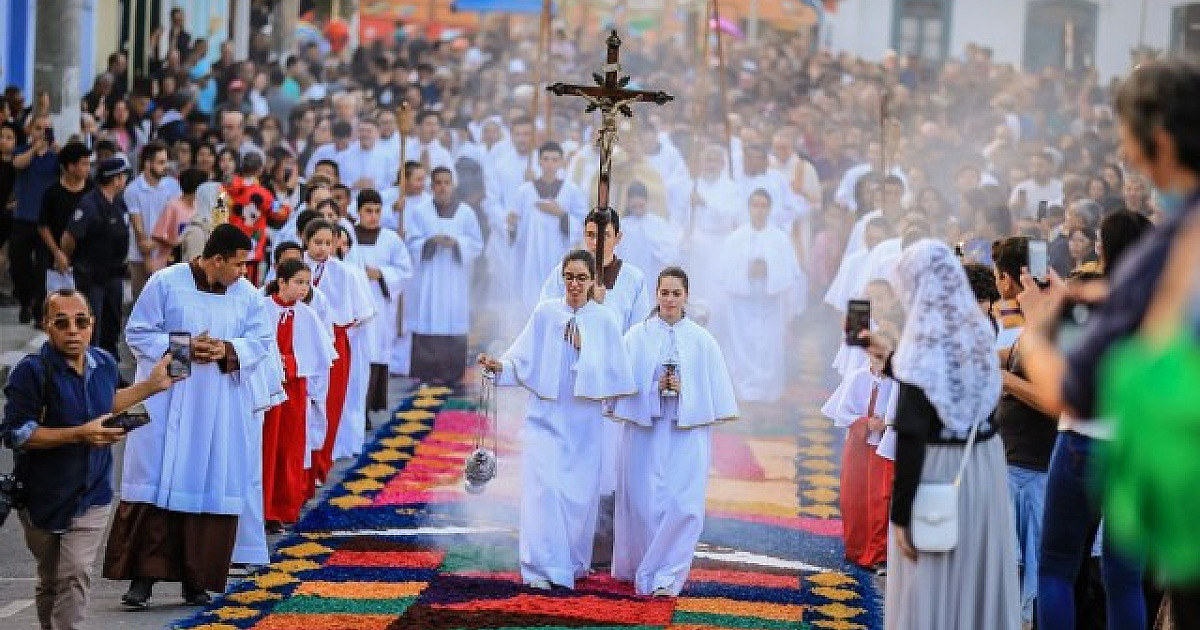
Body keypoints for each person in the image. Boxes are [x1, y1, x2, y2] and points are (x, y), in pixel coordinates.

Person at [102, 224, 274, 608]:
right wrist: (185, 349)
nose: (244, 272)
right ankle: (142, 580)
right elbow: (139, 332)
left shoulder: (246, 295)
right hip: (168, 400)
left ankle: (196, 582)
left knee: (207, 482)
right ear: (215, 260)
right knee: (156, 481)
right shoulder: (166, 282)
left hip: (218, 407)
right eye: (239, 264)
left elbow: (262, 342)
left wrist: (226, 350)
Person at [860, 239, 1020, 630]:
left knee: (930, 576)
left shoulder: (921, 346)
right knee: (974, 571)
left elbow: (913, 432)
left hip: (938, 474)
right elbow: (946, 387)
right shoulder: (980, 334)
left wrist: (900, 518)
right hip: (983, 468)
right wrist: (895, 359)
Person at [2, 289, 179, 630]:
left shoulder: (104, 363)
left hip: (93, 494)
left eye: (81, 321)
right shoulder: (31, 372)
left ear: (92, 325)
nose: (73, 329)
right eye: (62, 322)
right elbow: (17, 433)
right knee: (52, 579)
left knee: (75, 574)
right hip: (44, 496)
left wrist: (153, 386)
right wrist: (79, 433)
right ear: (47, 326)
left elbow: (109, 401)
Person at [477, 249, 635, 590]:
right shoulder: (546, 313)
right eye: (569, 277)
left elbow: (618, 378)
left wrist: (585, 348)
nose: (574, 284)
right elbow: (521, 359)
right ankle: (539, 567)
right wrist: (499, 367)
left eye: (581, 278)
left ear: (593, 280)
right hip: (543, 420)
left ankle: (570, 564)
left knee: (575, 497)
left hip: (583, 428)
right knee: (543, 491)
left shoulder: (605, 321)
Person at [610, 266, 738, 597]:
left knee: (684, 504)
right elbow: (622, 387)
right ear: (656, 294)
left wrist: (686, 390)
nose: (669, 299)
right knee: (644, 502)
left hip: (686, 435)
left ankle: (668, 576)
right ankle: (643, 567)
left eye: (676, 293)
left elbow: (712, 395)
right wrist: (653, 389)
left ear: (686, 296)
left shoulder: (702, 340)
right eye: (664, 293)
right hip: (646, 433)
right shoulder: (636, 337)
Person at [991, 236, 1060, 626]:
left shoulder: (1044, 329)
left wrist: (1003, 379)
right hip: (1017, 459)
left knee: (1027, 570)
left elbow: (1050, 398)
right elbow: (1013, 357)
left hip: (1032, 467)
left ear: (1005, 281)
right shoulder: (1032, 328)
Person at [711, 189, 805, 404]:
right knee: (742, 343)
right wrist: (746, 271)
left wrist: (769, 271)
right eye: (755, 205)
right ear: (749, 208)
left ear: (770, 209)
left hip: (769, 302)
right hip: (742, 302)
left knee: (768, 343)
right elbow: (724, 272)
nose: (759, 210)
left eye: (764, 206)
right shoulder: (736, 237)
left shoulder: (779, 238)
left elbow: (791, 273)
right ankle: (744, 388)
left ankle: (768, 389)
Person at [261, 258, 335, 528]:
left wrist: (291, 364)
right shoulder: (262, 309)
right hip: (267, 389)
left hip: (294, 391)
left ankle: (282, 508)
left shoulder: (307, 315)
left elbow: (318, 356)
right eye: (298, 282)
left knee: (289, 448)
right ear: (281, 282)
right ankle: (262, 506)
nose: (304, 288)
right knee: (266, 448)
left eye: (307, 283)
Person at [302, 219, 373, 483]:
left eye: (328, 243)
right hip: (300, 341)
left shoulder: (345, 273)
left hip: (335, 343)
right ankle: (301, 467)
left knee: (330, 405)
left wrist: (338, 331)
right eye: (317, 242)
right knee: (302, 405)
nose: (322, 249)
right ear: (305, 240)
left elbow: (361, 313)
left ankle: (320, 464)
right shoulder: (295, 269)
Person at [405, 167, 482, 385]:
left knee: (453, 319)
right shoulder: (421, 211)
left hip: (454, 277)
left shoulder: (466, 212)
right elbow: (411, 242)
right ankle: (427, 370)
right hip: (429, 277)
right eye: (438, 183)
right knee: (428, 318)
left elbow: (476, 243)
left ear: (453, 185)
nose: (443, 187)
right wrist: (430, 242)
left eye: (447, 182)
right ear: (432, 186)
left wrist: (458, 244)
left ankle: (452, 371)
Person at [61, 155, 132, 357]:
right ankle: (89, 373)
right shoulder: (89, 204)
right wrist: (69, 258)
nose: (124, 180)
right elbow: (69, 236)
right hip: (92, 278)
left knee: (112, 328)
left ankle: (110, 373)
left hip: (114, 276)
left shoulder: (118, 202)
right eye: (122, 176)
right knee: (92, 327)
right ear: (116, 179)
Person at [346, 188, 411, 406]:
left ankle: (370, 404)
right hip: (354, 306)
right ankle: (356, 407)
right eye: (368, 211)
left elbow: (404, 270)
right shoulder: (348, 238)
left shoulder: (390, 239)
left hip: (380, 306)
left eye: (377, 211)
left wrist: (382, 274)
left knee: (376, 351)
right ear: (358, 212)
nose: (373, 216)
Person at [513, 141, 587, 318]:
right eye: (545, 159)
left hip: (559, 252)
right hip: (531, 254)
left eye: (554, 160)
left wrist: (562, 215)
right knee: (532, 298)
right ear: (539, 161)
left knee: (559, 294)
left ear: (561, 162)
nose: (550, 164)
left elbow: (583, 223)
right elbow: (516, 227)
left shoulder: (571, 191)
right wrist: (511, 223)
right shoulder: (525, 191)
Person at [12, 114, 59, 323]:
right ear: (30, 130)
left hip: (44, 221)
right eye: (38, 128)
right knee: (19, 264)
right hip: (23, 218)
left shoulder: (54, 157)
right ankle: (25, 301)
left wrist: (56, 149)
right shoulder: (23, 151)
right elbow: (18, 164)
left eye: (46, 129)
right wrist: (34, 148)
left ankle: (40, 309)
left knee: (42, 268)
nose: (42, 132)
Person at [125, 140, 182, 298]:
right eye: (160, 162)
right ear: (147, 163)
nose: (165, 166)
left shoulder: (172, 186)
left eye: (165, 161)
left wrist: (157, 242)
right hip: (139, 257)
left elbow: (177, 220)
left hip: (168, 255)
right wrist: (148, 255)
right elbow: (139, 230)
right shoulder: (133, 190)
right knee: (141, 303)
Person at [37, 143, 92, 296]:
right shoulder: (52, 193)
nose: (88, 168)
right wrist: (57, 252)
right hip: (57, 262)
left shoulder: (92, 191)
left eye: (89, 164)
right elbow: (43, 226)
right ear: (70, 166)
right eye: (84, 164)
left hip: (87, 261)